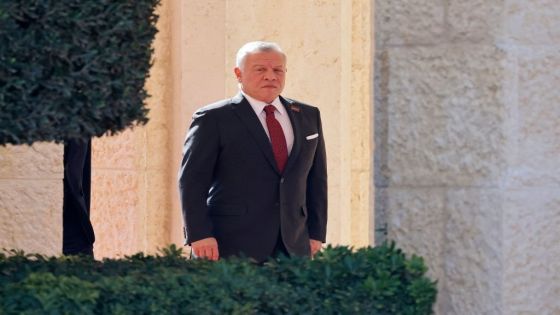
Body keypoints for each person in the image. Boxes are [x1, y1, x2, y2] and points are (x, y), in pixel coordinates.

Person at [178, 41, 327, 263]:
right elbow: (192, 181)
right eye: (260, 69)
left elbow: (317, 179)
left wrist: (316, 233)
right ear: (239, 74)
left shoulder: (307, 115)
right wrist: (199, 235)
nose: (270, 76)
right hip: (228, 243)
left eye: (277, 70)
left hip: (293, 244)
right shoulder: (213, 118)